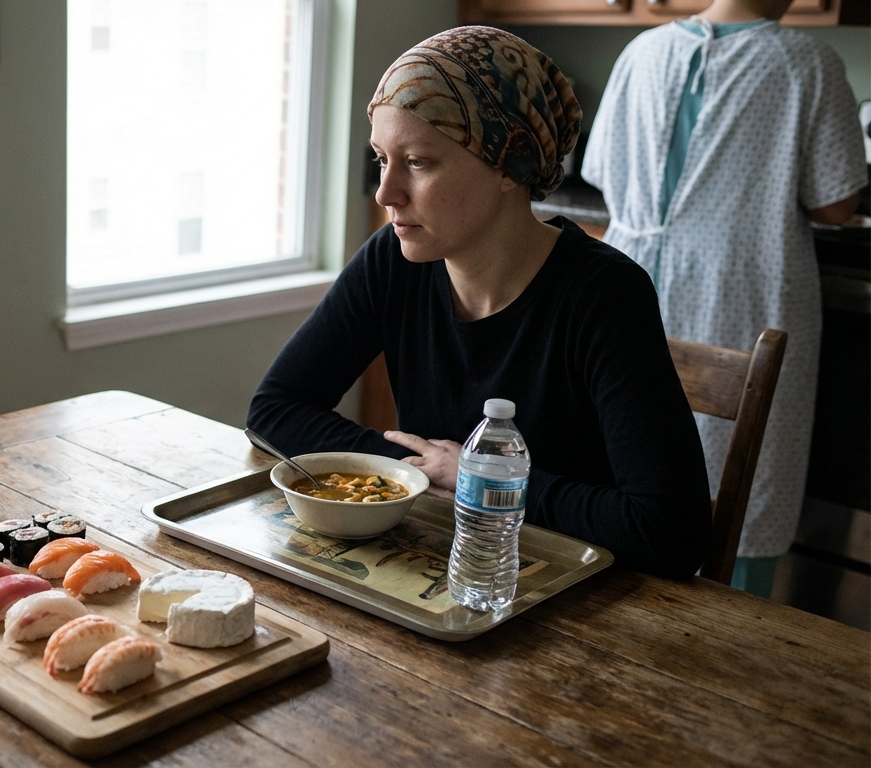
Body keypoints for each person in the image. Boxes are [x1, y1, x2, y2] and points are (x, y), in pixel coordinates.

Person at [247, 26, 714, 580]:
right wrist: (419, 471)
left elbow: (672, 534)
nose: (386, 193)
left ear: (508, 166)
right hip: (439, 567)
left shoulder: (605, 295)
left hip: (577, 601)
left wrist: (478, 479)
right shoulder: (394, 259)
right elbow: (274, 412)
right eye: (381, 159)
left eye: (417, 162)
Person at [581, 0, 865, 595]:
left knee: (626, 465)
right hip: (744, 299)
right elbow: (836, 204)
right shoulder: (807, 62)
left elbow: (602, 170)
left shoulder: (641, 52)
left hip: (630, 288)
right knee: (739, 486)